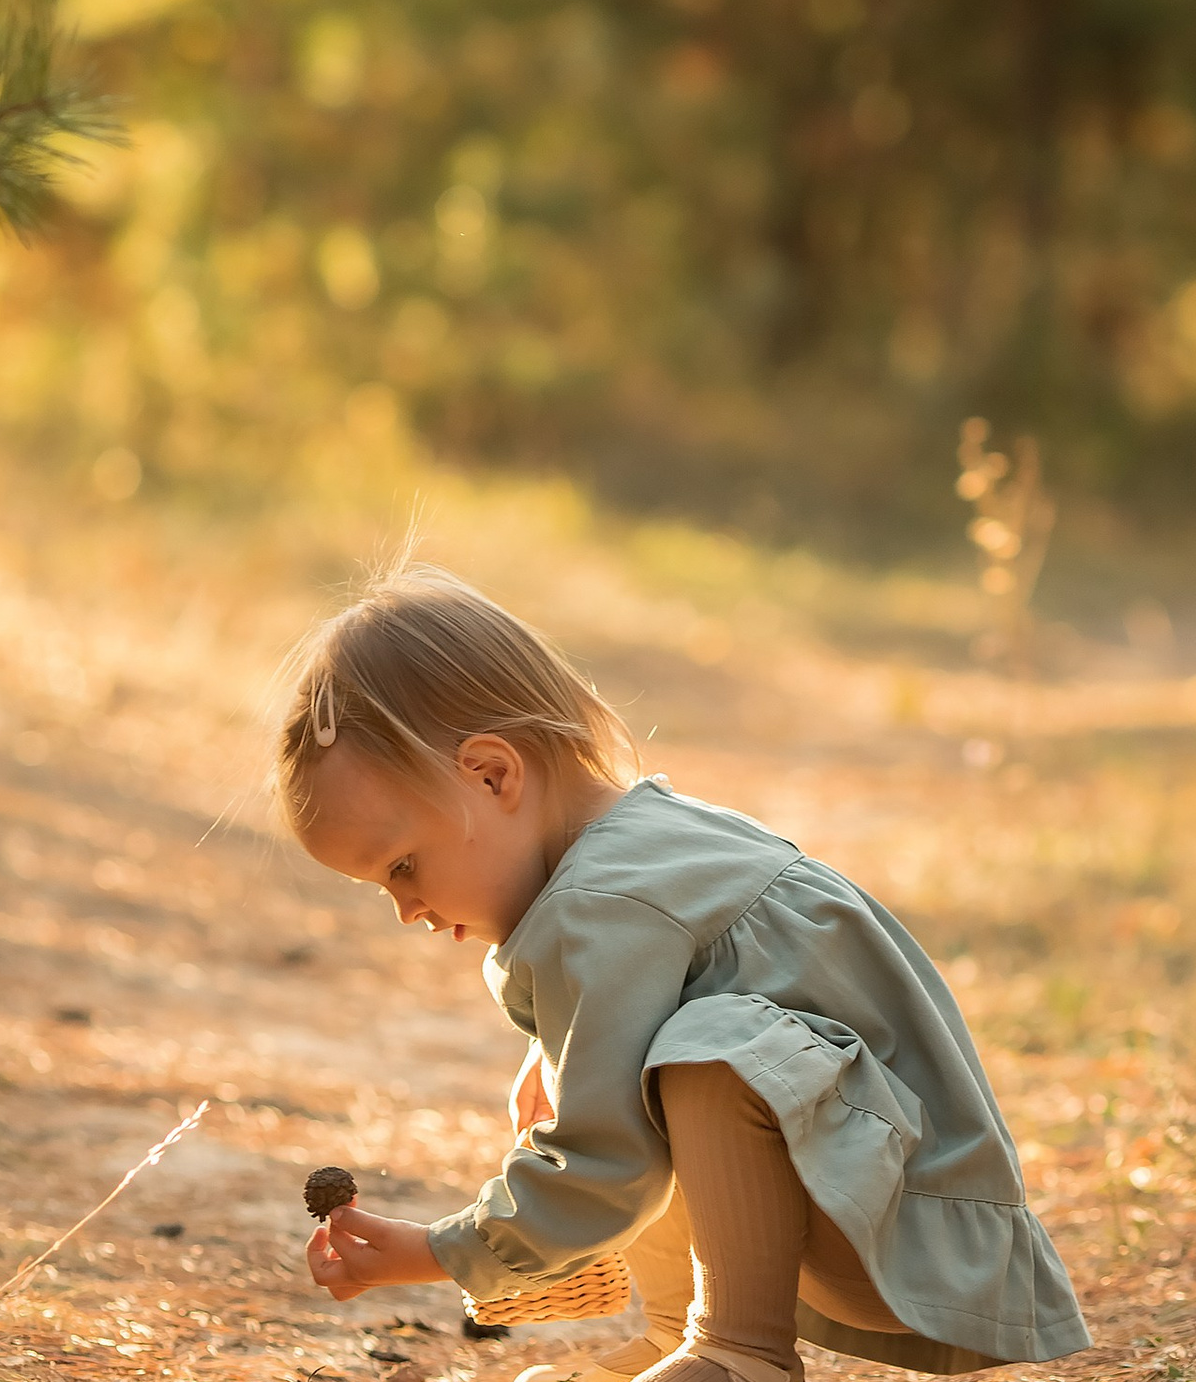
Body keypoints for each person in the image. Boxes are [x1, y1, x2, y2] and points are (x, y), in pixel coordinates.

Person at [278, 563, 1088, 1382]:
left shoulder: (603, 904)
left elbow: (604, 1169)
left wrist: (441, 1250)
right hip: (888, 1204)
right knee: (639, 1059)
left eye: (404, 866)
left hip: (910, 1237)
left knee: (700, 1051)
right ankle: (675, 1336)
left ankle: (739, 1351)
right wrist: (560, 1050)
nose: (406, 909)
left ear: (493, 776)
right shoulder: (640, 841)